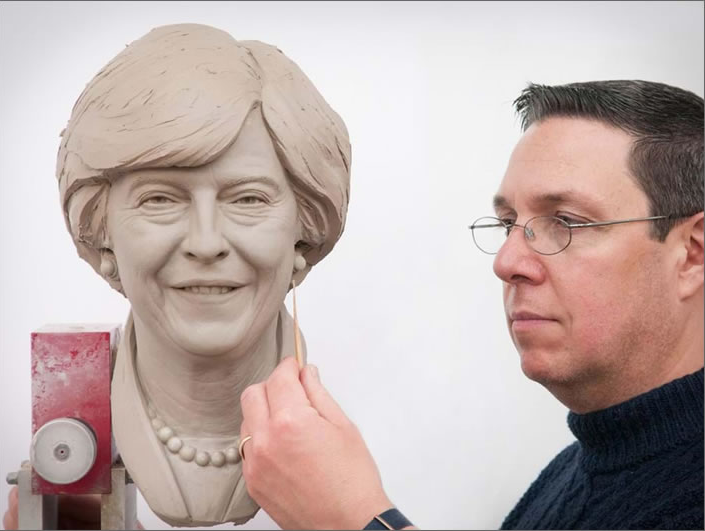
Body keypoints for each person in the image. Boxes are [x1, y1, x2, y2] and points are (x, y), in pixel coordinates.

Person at [235, 80, 704, 530]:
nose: (507, 262)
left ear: (692, 253)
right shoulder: (573, 473)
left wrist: (351, 520)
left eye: (566, 222)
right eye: (507, 224)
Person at [4, 22, 351, 529]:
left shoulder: (355, 441)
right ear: (102, 233)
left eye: (248, 198)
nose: (206, 242)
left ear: (304, 233)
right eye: (160, 199)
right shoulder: (70, 416)